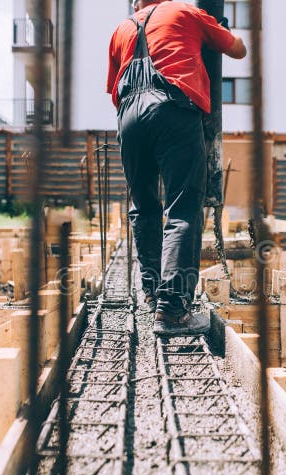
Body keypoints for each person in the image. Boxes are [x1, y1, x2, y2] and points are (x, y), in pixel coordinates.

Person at [107, 0, 247, 336]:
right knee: (183, 207)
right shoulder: (184, 12)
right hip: (172, 108)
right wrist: (218, 28)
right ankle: (172, 311)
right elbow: (238, 50)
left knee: (143, 206)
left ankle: (152, 293)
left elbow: (114, 89)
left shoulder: (122, 28)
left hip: (129, 117)